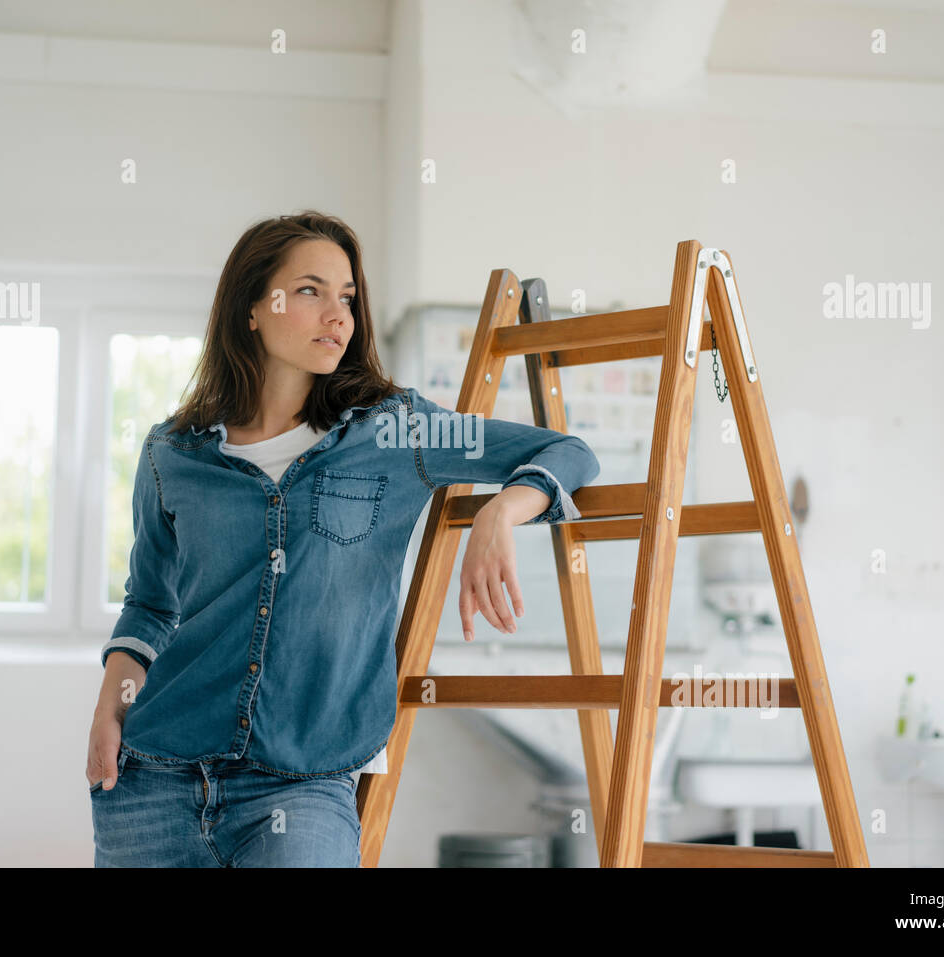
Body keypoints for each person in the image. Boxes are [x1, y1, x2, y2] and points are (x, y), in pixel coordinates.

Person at [85, 210, 600, 867]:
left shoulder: (395, 430)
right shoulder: (172, 452)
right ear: (251, 306)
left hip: (301, 788)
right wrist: (111, 707)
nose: (338, 315)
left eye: (348, 298)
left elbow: (567, 450)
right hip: (151, 781)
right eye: (310, 290)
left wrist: (502, 512)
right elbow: (152, 605)